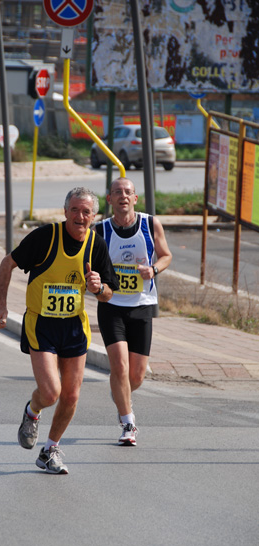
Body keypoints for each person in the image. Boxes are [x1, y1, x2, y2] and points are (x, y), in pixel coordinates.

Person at [0, 187, 119, 474]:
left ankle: (50, 450)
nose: (80, 216)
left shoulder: (96, 245)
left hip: (74, 326)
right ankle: (32, 411)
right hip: (42, 324)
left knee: (71, 396)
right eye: (74, 210)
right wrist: (1, 307)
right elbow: (7, 263)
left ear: (94, 216)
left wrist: (100, 288)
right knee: (51, 393)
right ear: (65, 212)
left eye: (86, 211)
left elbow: (109, 292)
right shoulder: (47, 237)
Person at [94, 177, 172, 446]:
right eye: (117, 192)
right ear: (110, 199)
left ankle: (120, 391)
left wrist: (154, 269)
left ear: (135, 199)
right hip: (111, 306)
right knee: (120, 365)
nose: (123, 196)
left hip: (142, 305)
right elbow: (87, 263)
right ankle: (128, 423)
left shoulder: (150, 224)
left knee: (136, 375)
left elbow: (166, 255)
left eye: (128, 192)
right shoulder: (100, 230)